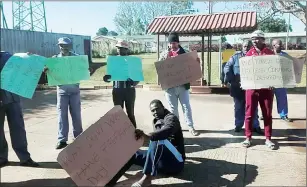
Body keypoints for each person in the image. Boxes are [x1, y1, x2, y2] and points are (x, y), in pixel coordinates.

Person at [106, 99, 185, 187]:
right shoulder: (156, 120)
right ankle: (110, 182)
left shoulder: (171, 118)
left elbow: (167, 130)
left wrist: (148, 136)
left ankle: (147, 178)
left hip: (175, 163)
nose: (155, 112)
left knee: (157, 139)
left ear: (163, 107)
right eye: (152, 111)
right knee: (132, 153)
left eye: (157, 109)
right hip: (160, 162)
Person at [0, 51, 39, 167]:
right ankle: (2, 158)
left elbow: (23, 64)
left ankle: (24, 158)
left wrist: (29, 58)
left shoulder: (8, 56)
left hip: (12, 98)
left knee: (18, 128)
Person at [45, 37, 83, 149]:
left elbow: (84, 70)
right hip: (62, 91)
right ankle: (62, 140)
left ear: (70, 46)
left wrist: (87, 68)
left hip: (74, 91)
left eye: (66, 45)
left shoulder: (77, 58)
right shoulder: (55, 59)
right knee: (62, 115)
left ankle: (79, 138)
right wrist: (47, 70)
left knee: (76, 115)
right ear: (59, 46)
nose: (64, 47)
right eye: (62, 45)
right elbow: (51, 73)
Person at [159, 32, 199, 136]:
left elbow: (192, 66)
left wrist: (196, 62)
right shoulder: (164, 54)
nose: (173, 45)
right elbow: (160, 68)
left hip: (182, 85)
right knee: (173, 109)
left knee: (186, 106)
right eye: (171, 43)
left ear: (178, 43)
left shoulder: (185, 53)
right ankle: (176, 128)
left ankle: (190, 126)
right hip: (170, 87)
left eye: (175, 43)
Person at [242, 30, 276, 150]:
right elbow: (245, 71)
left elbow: (274, 71)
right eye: (252, 39)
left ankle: (268, 138)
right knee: (249, 113)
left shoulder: (270, 53)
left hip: (266, 89)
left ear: (263, 39)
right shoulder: (248, 54)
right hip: (252, 88)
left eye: (257, 38)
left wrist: (273, 82)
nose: (254, 41)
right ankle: (248, 137)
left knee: (267, 114)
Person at [224, 41, 264, 134]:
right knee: (238, 107)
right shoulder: (235, 57)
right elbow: (227, 68)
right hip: (238, 88)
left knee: (253, 107)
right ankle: (238, 125)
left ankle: (255, 126)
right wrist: (230, 80)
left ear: (251, 47)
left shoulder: (256, 57)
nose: (246, 48)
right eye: (244, 46)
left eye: (248, 46)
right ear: (242, 47)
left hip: (252, 87)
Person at [103, 40, 138, 127]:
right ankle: (119, 135)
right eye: (118, 48)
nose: (119, 50)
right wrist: (106, 78)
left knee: (130, 114)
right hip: (117, 90)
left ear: (127, 50)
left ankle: (135, 135)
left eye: (122, 48)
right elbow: (110, 75)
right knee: (118, 114)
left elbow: (138, 76)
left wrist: (133, 82)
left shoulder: (132, 61)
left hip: (129, 91)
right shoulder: (113, 61)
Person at [271, 39, 292, 122]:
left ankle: (284, 115)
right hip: (270, 82)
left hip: (281, 82)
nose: (281, 45)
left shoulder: (285, 55)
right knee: (267, 99)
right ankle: (265, 114)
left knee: (282, 98)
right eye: (279, 44)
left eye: (281, 44)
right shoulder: (268, 55)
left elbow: (290, 67)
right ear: (274, 45)